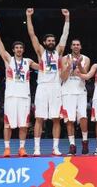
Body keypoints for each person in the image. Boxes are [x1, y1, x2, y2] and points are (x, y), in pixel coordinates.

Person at [0, 16, 39, 157]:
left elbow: (43, 67)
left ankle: (22, 148)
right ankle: (7, 148)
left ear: (23, 50)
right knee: (8, 124)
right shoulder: (8, 60)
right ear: (13, 50)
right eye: (16, 48)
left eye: (21, 48)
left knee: (24, 124)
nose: (18, 49)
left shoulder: (28, 62)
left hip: (24, 97)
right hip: (11, 97)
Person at [26, 8, 70, 156]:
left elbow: (65, 35)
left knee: (56, 118)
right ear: (44, 42)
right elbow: (32, 34)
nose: (51, 42)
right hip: (42, 88)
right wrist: (28, 17)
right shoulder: (40, 52)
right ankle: (37, 148)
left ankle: (55, 148)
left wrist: (67, 18)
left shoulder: (59, 52)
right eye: (49, 41)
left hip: (56, 87)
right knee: (39, 118)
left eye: (53, 41)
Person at [61, 39, 90, 155]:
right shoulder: (64, 58)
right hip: (67, 91)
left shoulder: (86, 59)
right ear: (71, 47)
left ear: (81, 47)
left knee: (83, 117)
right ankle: (72, 144)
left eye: (78, 44)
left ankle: (84, 141)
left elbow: (85, 75)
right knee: (69, 119)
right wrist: (69, 67)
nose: (76, 46)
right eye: (74, 45)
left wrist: (78, 64)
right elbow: (63, 77)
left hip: (81, 91)